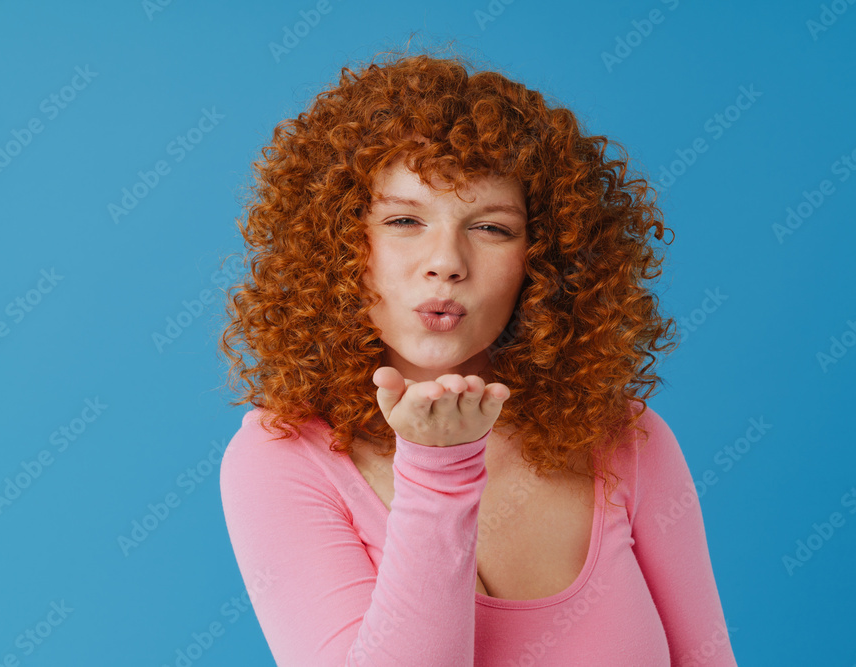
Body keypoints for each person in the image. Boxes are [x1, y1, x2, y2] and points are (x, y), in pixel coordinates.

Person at [217, 46, 738, 666]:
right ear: (340, 244)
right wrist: (438, 471)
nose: (447, 261)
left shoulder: (624, 437)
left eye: (491, 228)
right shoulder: (281, 459)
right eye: (405, 221)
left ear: (543, 263)